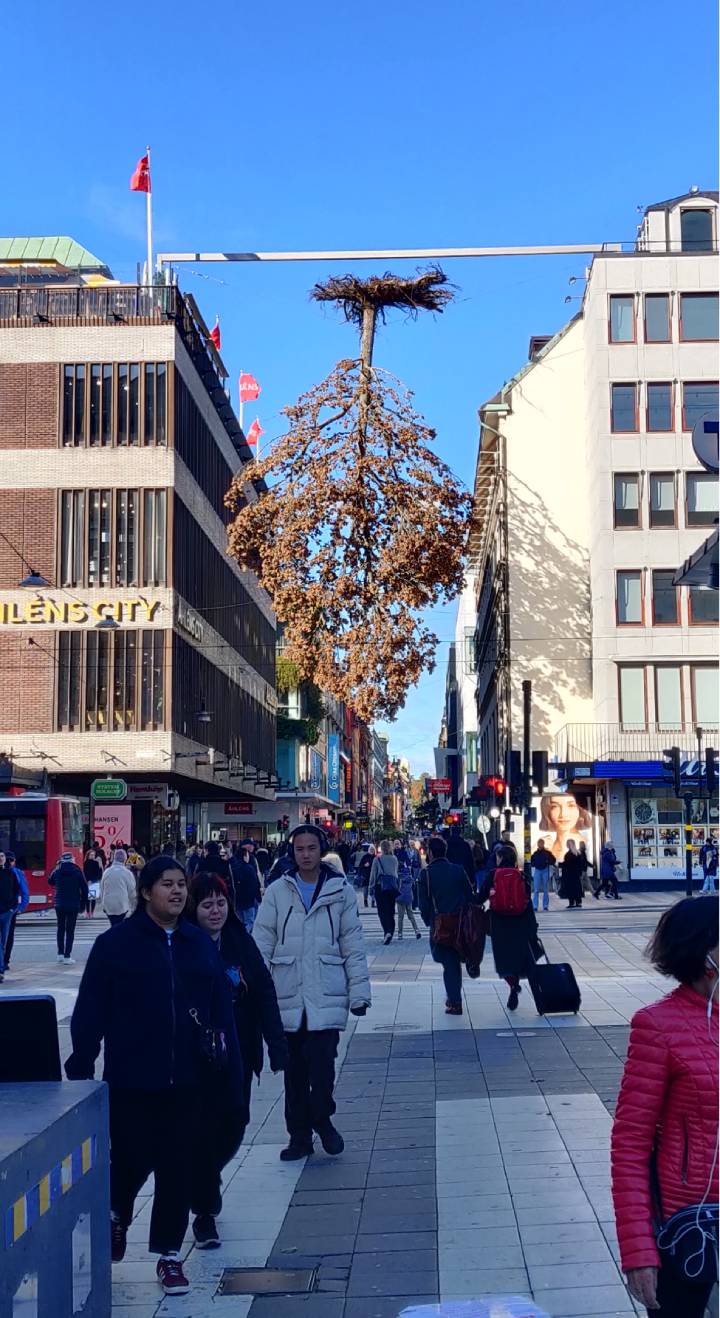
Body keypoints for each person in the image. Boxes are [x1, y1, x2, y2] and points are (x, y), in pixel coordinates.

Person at [65, 855, 241, 1297]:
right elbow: (90, 1010)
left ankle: (167, 1255)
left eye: (182, 884)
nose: (178, 892)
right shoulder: (116, 945)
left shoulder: (198, 944)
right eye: (167, 884)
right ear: (146, 892)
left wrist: (229, 1073)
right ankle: (117, 1216)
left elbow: (221, 1013)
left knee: (177, 1169)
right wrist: (82, 1062)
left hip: (189, 1082)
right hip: (132, 1079)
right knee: (128, 1161)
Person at [611, 897, 719, 1318]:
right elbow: (630, 1144)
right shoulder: (657, 1025)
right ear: (704, 953)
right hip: (690, 1226)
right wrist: (638, 1250)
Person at [253, 824, 371, 1161]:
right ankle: (299, 1137)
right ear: (292, 852)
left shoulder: (340, 891)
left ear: (322, 850)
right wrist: (255, 988)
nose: (305, 855)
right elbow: (261, 940)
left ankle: (322, 1117)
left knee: (322, 1068)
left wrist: (359, 992)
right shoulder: (278, 890)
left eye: (311, 848)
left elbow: (353, 944)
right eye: (299, 849)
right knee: (293, 1074)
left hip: (326, 991)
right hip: (288, 993)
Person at [185, 872, 288, 1248]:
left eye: (220, 903)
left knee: (235, 1123)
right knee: (201, 1129)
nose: (215, 911)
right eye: (206, 904)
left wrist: (277, 1047)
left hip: (239, 1052)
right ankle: (204, 1210)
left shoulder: (239, 941)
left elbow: (263, 991)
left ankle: (203, 1176)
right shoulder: (183, 944)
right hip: (194, 1057)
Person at [478, 845, 541, 1011]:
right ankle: (534, 993)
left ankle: (512, 984)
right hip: (520, 921)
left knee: (503, 959)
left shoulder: (492, 875)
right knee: (520, 956)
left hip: (499, 923)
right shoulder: (522, 875)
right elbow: (527, 901)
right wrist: (532, 926)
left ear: (500, 858)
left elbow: (480, 897)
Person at [419, 836, 474, 1015]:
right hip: (460, 923)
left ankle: (455, 1001)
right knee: (453, 962)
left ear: (431, 853)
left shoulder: (426, 874)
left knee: (449, 963)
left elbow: (423, 903)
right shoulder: (458, 870)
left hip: (440, 925)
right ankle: (454, 998)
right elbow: (469, 895)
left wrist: (430, 922)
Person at [49, 852, 88, 964]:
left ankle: (60, 954)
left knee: (60, 928)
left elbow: (50, 881)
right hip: (73, 904)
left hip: (59, 904)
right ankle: (67, 956)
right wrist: (83, 905)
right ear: (72, 860)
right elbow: (84, 889)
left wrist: (55, 868)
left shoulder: (57, 870)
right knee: (70, 930)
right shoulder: (77, 871)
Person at [539, 793, 593, 862]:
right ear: (547, 811)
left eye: (571, 805)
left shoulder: (588, 845)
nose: (563, 814)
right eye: (555, 806)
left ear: (580, 810)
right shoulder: (548, 845)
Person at [2, 851, 29, 972]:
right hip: (10, 909)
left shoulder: (13, 873)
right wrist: (20, 908)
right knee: (8, 936)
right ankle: (5, 961)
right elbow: (24, 891)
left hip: (8, 908)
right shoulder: (17, 872)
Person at [370, 841, 400, 944]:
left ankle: (386, 931)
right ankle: (390, 931)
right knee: (391, 911)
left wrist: (371, 887)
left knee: (382, 911)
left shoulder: (377, 859)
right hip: (392, 887)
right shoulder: (394, 859)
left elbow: (373, 875)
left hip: (380, 887)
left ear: (381, 848)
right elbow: (396, 874)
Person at [100, 848, 137, 927]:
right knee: (119, 925)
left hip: (108, 904)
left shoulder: (107, 872)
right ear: (124, 859)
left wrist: (103, 903)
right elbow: (132, 891)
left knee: (113, 924)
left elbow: (102, 888)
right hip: (121, 904)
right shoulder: (127, 873)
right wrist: (133, 906)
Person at [0, 851, 21, 983]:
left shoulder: (10, 873)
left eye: (2, 856)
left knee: (3, 942)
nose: (1, 858)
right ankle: (0, 970)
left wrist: (13, 908)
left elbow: (16, 890)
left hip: (7, 912)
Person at [229, 848, 262, 932]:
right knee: (250, 921)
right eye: (247, 855)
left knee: (240, 922)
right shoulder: (249, 868)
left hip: (237, 899)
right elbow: (254, 884)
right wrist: (258, 898)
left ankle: (239, 937)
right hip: (248, 900)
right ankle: (245, 937)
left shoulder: (232, 867)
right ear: (244, 856)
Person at [396, 858, 422, 940]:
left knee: (400, 917)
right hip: (409, 897)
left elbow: (396, 887)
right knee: (411, 915)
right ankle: (417, 931)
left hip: (400, 898)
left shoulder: (398, 877)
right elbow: (413, 886)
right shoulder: (410, 877)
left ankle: (400, 933)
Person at [530, 837, 554, 913]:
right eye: (539, 843)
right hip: (538, 870)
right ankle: (535, 906)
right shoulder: (535, 853)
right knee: (536, 889)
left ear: (543, 844)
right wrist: (534, 864)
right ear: (538, 844)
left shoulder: (547, 853)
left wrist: (548, 862)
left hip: (545, 870)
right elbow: (532, 861)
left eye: (541, 843)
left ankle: (545, 906)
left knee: (545, 889)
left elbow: (553, 860)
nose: (540, 844)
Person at [560, 838, 584, 909]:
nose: (566, 845)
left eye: (567, 844)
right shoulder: (578, 853)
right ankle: (578, 902)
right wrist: (580, 873)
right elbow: (580, 864)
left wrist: (561, 865)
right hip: (576, 874)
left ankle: (572, 902)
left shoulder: (569, 854)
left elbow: (567, 864)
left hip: (569, 874)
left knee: (570, 888)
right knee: (577, 888)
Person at [83, 848, 103, 918]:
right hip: (87, 882)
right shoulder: (85, 863)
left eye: (93, 855)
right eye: (91, 855)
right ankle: (88, 912)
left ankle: (92, 912)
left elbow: (98, 873)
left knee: (93, 898)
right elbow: (85, 873)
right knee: (87, 899)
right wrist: (88, 880)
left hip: (94, 881)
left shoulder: (96, 863)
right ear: (88, 855)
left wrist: (100, 867)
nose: (92, 856)